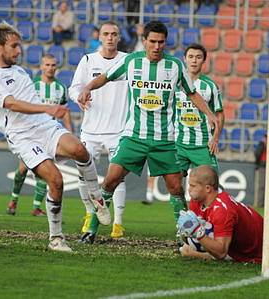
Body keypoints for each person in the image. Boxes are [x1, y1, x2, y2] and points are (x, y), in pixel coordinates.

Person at [78, 21, 218, 243]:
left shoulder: (174, 66)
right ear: (144, 41)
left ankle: (183, 234)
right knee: (110, 181)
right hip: (134, 137)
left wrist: (209, 113)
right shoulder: (131, 62)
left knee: (176, 189)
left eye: (161, 42)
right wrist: (87, 87)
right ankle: (91, 229)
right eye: (152, 41)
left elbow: (191, 93)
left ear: (166, 42)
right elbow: (105, 77)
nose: (156, 46)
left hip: (164, 140)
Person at [0, 22, 110, 252]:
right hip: (22, 137)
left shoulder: (19, 71)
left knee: (80, 150)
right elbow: (11, 103)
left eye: (19, 46)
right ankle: (56, 238)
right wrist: (47, 109)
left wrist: (48, 114)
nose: (19, 51)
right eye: (14, 46)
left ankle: (96, 198)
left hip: (43, 126)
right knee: (56, 181)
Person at [69, 21, 128, 240]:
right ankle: (88, 212)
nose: (110, 37)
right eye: (106, 34)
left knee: (118, 176)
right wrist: (79, 97)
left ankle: (118, 223)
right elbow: (73, 89)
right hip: (91, 129)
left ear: (119, 37)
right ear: (100, 37)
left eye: (114, 34)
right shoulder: (88, 60)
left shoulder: (127, 61)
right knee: (84, 174)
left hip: (119, 129)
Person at [6, 54, 72, 217]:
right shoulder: (32, 85)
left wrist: (69, 130)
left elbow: (64, 111)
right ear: (41, 66)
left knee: (45, 171)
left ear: (56, 67)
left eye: (53, 65)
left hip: (49, 134)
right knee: (22, 169)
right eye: (47, 65)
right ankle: (14, 199)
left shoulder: (61, 88)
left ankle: (36, 207)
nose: (50, 68)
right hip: (30, 133)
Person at [177, 165, 263, 263]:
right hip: (249, 232)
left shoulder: (222, 210)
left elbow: (221, 253)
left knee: (187, 251)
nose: (189, 189)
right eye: (189, 185)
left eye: (193, 186)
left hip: (257, 249)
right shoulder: (197, 199)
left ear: (208, 188)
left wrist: (197, 232)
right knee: (188, 247)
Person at [175, 43, 224, 176]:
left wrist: (215, 139)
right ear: (185, 59)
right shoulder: (175, 83)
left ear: (203, 60)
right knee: (174, 183)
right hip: (178, 143)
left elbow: (219, 114)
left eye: (198, 57)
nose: (194, 60)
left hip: (203, 145)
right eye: (190, 56)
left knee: (210, 183)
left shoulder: (210, 85)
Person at [253, 133, 267, 207]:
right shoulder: (261, 145)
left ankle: (265, 203)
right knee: (261, 186)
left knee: (267, 186)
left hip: (268, 167)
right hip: (263, 166)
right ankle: (259, 203)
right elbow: (257, 153)